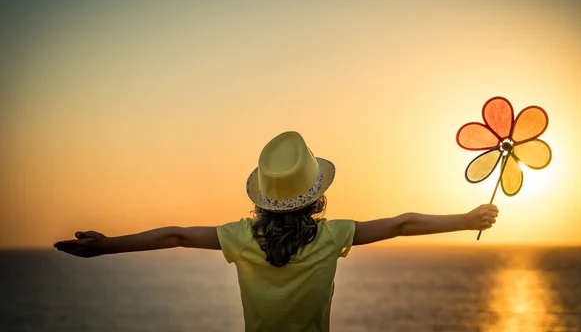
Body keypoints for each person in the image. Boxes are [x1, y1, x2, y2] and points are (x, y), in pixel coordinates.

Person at [54, 131, 499, 332]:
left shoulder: (240, 237)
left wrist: (108, 247)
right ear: (316, 194)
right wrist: (465, 219)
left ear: (263, 196)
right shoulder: (332, 236)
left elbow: (175, 235)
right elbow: (402, 224)